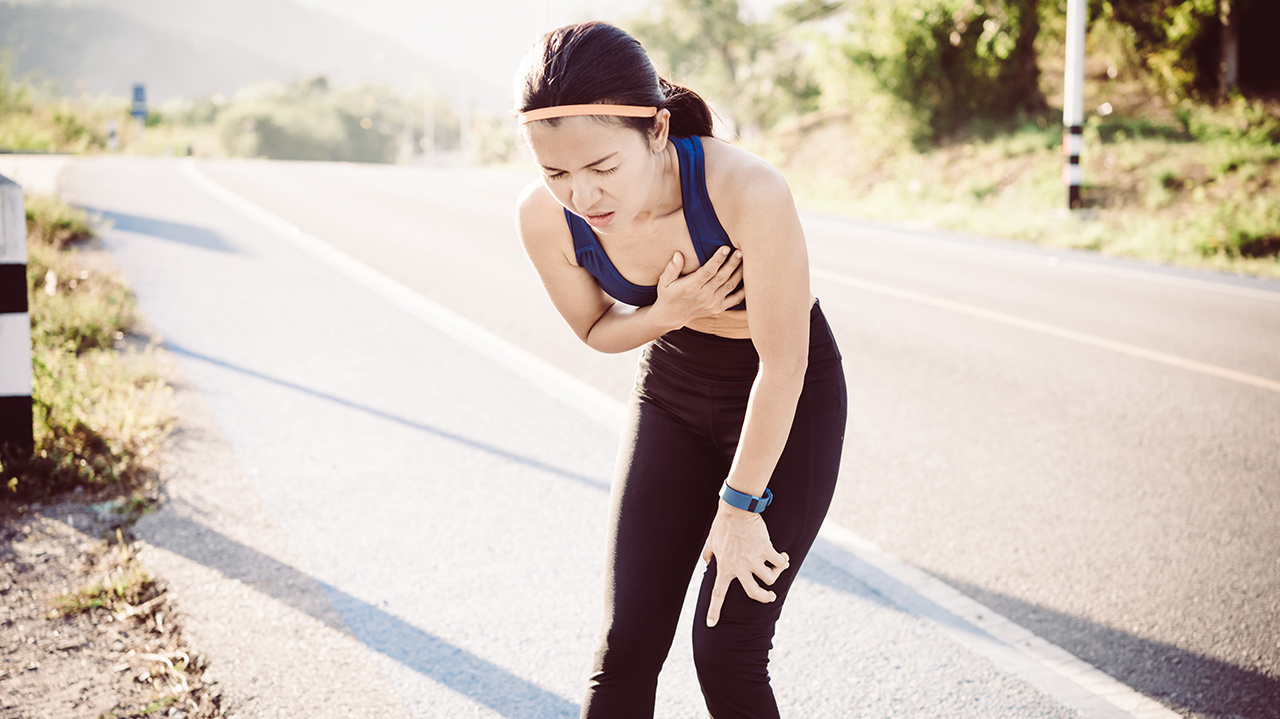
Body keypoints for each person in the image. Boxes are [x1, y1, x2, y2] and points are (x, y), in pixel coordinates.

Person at [513, 21, 847, 719]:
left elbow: (784, 362)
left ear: (657, 130)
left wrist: (740, 507)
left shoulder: (746, 189)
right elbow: (596, 329)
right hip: (672, 391)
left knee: (725, 650)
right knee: (627, 645)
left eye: (602, 168)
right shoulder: (546, 220)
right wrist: (671, 311)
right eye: (556, 174)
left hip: (787, 400)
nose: (583, 196)